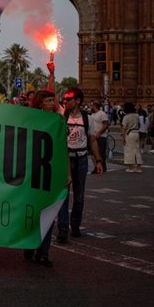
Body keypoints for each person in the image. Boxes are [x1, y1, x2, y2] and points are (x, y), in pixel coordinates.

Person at [58, 87, 103, 243]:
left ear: (78, 101)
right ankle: (63, 228)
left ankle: (75, 225)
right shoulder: (62, 116)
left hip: (82, 159)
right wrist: (51, 73)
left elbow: (92, 140)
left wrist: (98, 161)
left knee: (79, 197)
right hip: (65, 159)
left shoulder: (87, 118)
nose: (65, 101)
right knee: (63, 196)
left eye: (68, 99)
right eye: (64, 99)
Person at [23, 90, 60, 267]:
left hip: (51, 171)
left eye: (53, 100)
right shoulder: (31, 119)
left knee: (49, 212)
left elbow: (62, 148)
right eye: (49, 100)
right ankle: (30, 243)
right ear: (40, 104)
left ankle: (43, 253)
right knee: (32, 210)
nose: (53, 103)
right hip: (33, 171)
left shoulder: (58, 121)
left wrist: (66, 173)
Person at [121, 102, 143, 173]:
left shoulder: (126, 117)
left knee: (129, 150)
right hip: (136, 132)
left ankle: (131, 167)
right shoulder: (136, 115)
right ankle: (138, 167)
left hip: (129, 133)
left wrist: (123, 138)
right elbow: (139, 125)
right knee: (137, 149)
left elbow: (124, 128)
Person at [90, 101, 110, 173]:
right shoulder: (92, 115)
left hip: (101, 136)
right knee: (93, 153)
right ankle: (96, 167)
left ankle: (103, 167)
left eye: (91, 106)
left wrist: (99, 132)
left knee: (101, 153)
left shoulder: (102, 114)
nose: (90, 107)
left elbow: (106, 124)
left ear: (94, 106)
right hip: (93, 137)